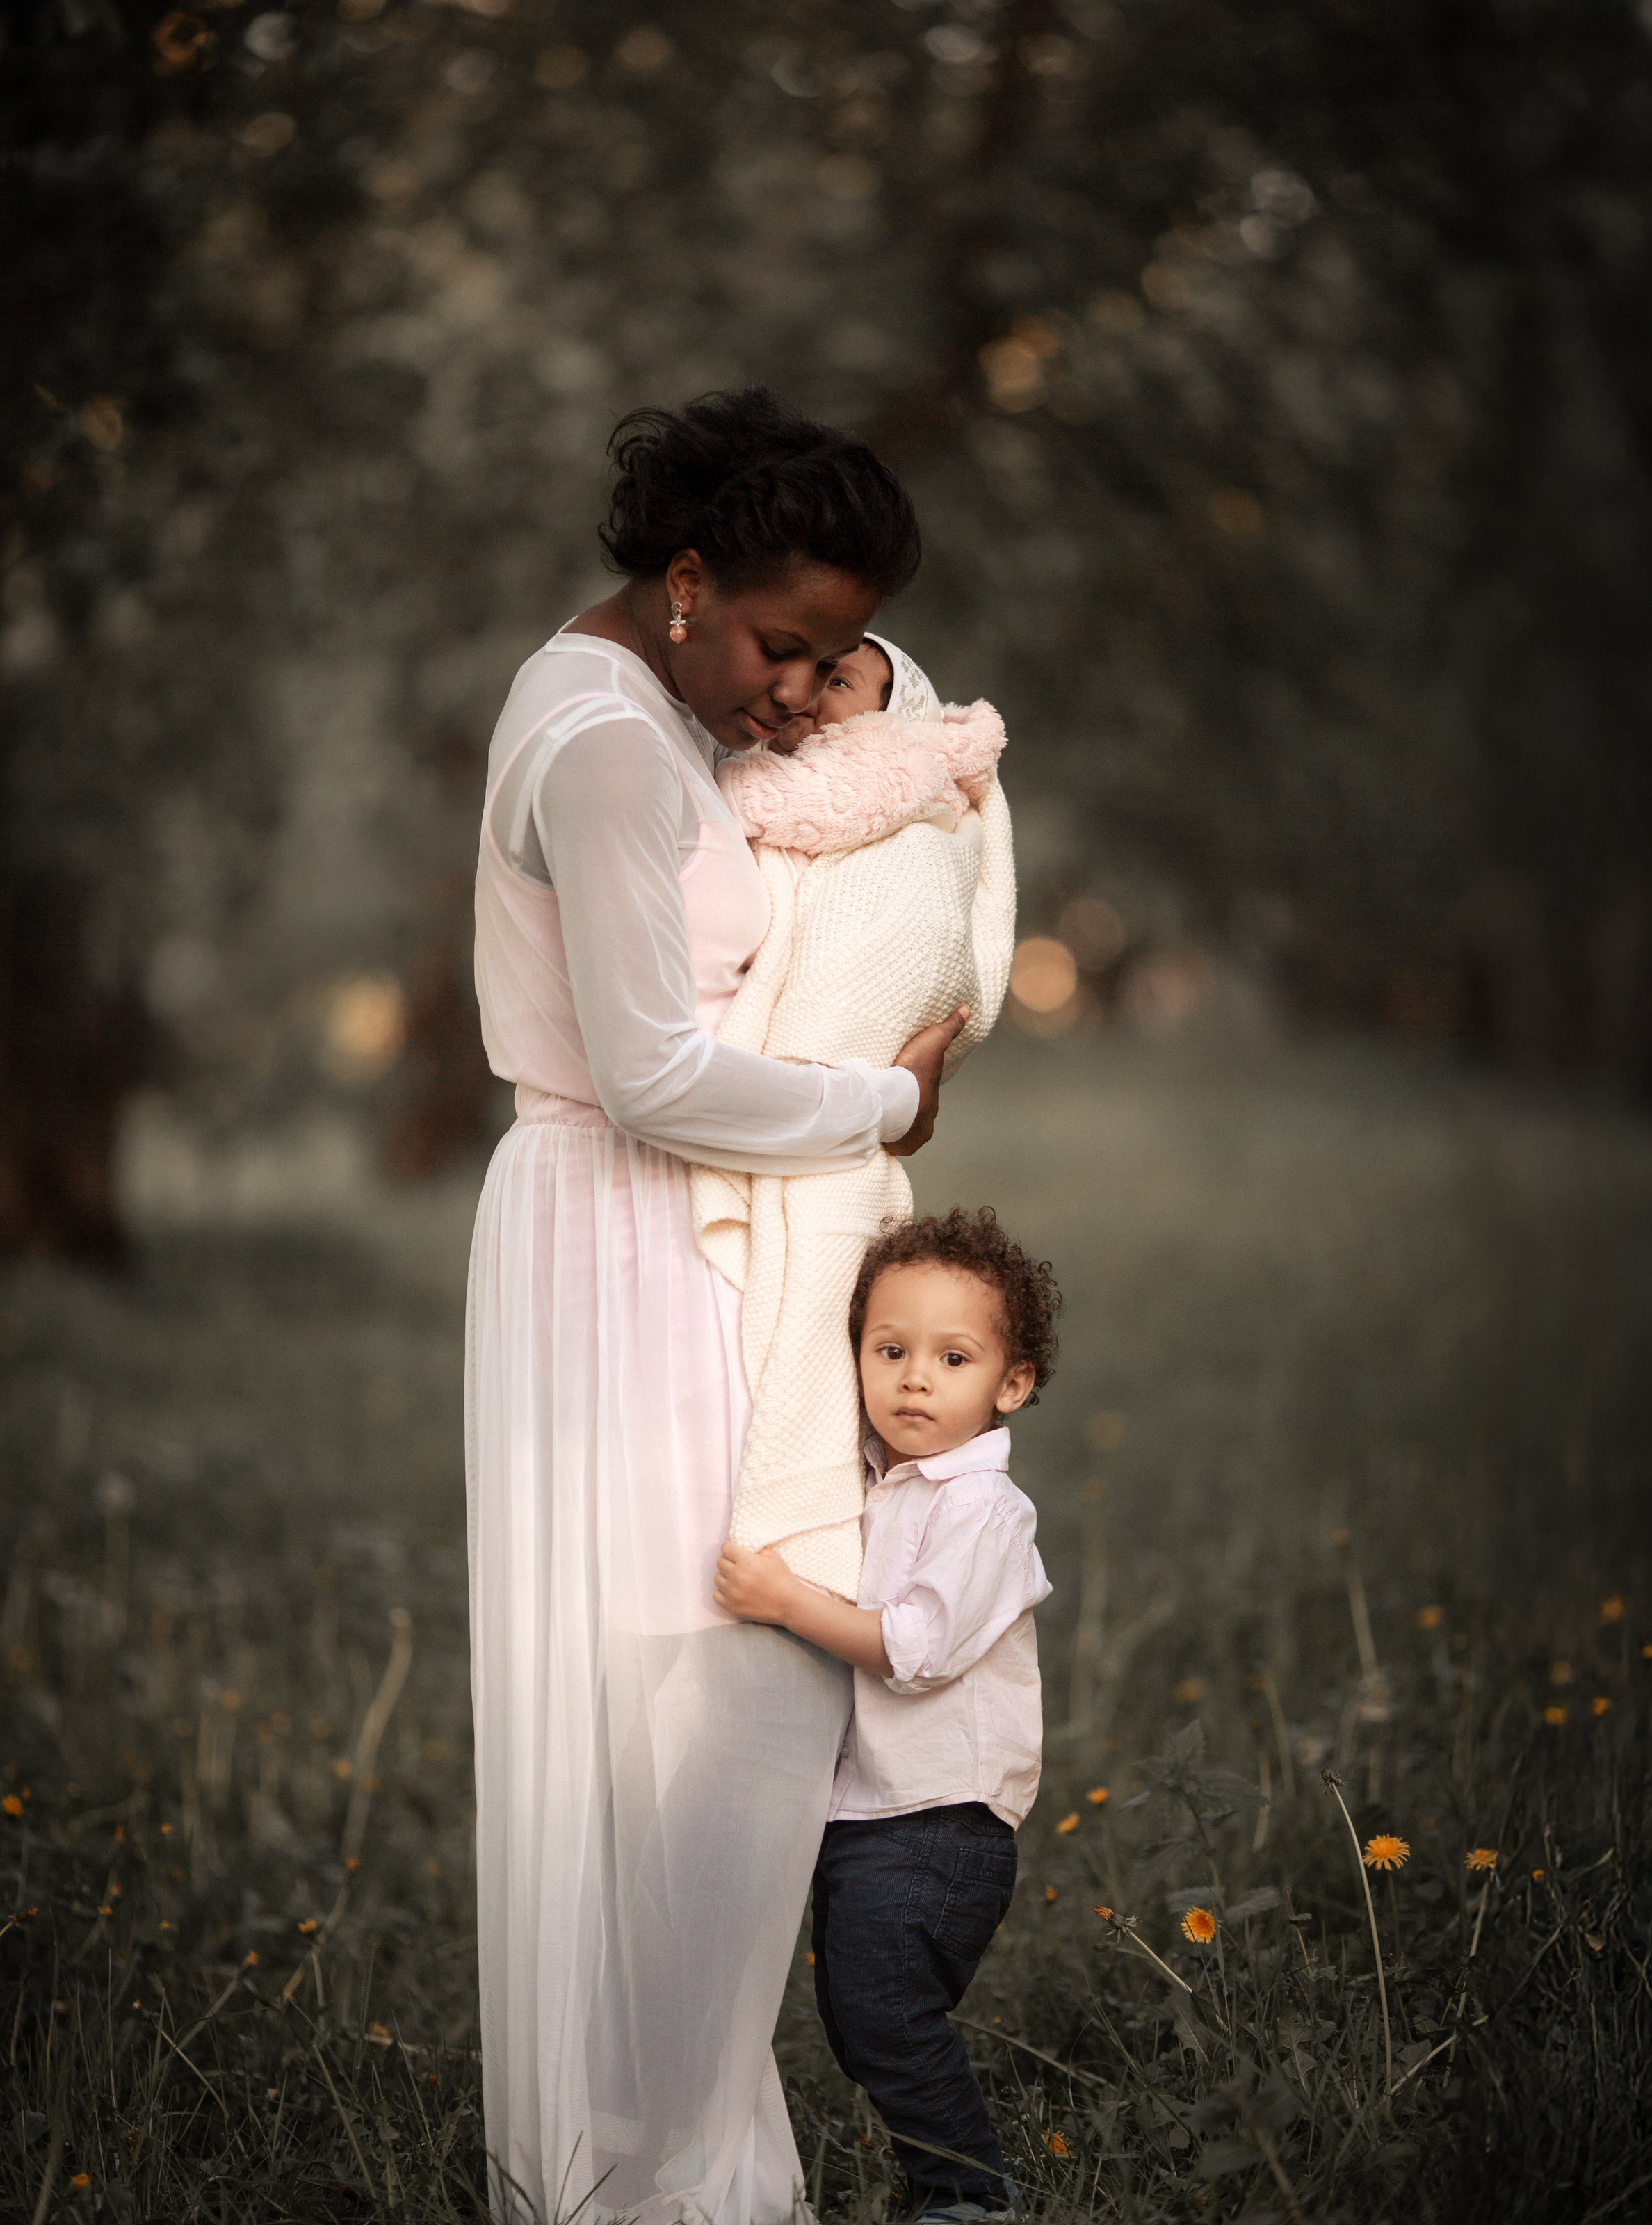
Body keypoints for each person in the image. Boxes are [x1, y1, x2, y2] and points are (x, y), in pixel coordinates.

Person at [466, 385, 966, 2225]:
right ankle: (639, 2169)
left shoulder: (658, 712)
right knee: (700, 1696)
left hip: (690, 1227)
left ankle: (689, 2152)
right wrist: (885, 1101)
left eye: (826, 653)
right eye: (783, 641)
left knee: (724, 1709)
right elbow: (656, 1071)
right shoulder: (598, 742)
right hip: (622, 1229)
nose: (799, 684)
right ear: (683, 582)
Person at [714, 1208, 1060, 2224]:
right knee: (862, 2017)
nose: (914, 1377)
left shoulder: (984, 1512)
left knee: (881, 2016)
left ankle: (970, 2195)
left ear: (1011, 1384)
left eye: (952, 1358)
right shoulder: (886, 1478)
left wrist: (785, 1601)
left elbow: (913, 1650)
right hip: (876, 1815)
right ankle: (947, 2186)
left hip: (942, 1823)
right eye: (889, 1349)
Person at [690, 637, 1014, 1599]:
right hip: (842, 1097)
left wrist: (708, 794)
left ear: (894, 705)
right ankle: (810, 1533)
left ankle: (805, 1541)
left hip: (842, 1067)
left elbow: (931, 931)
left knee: (819, 1289)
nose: (817, 700)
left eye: (842, 682)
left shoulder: (891, 766)